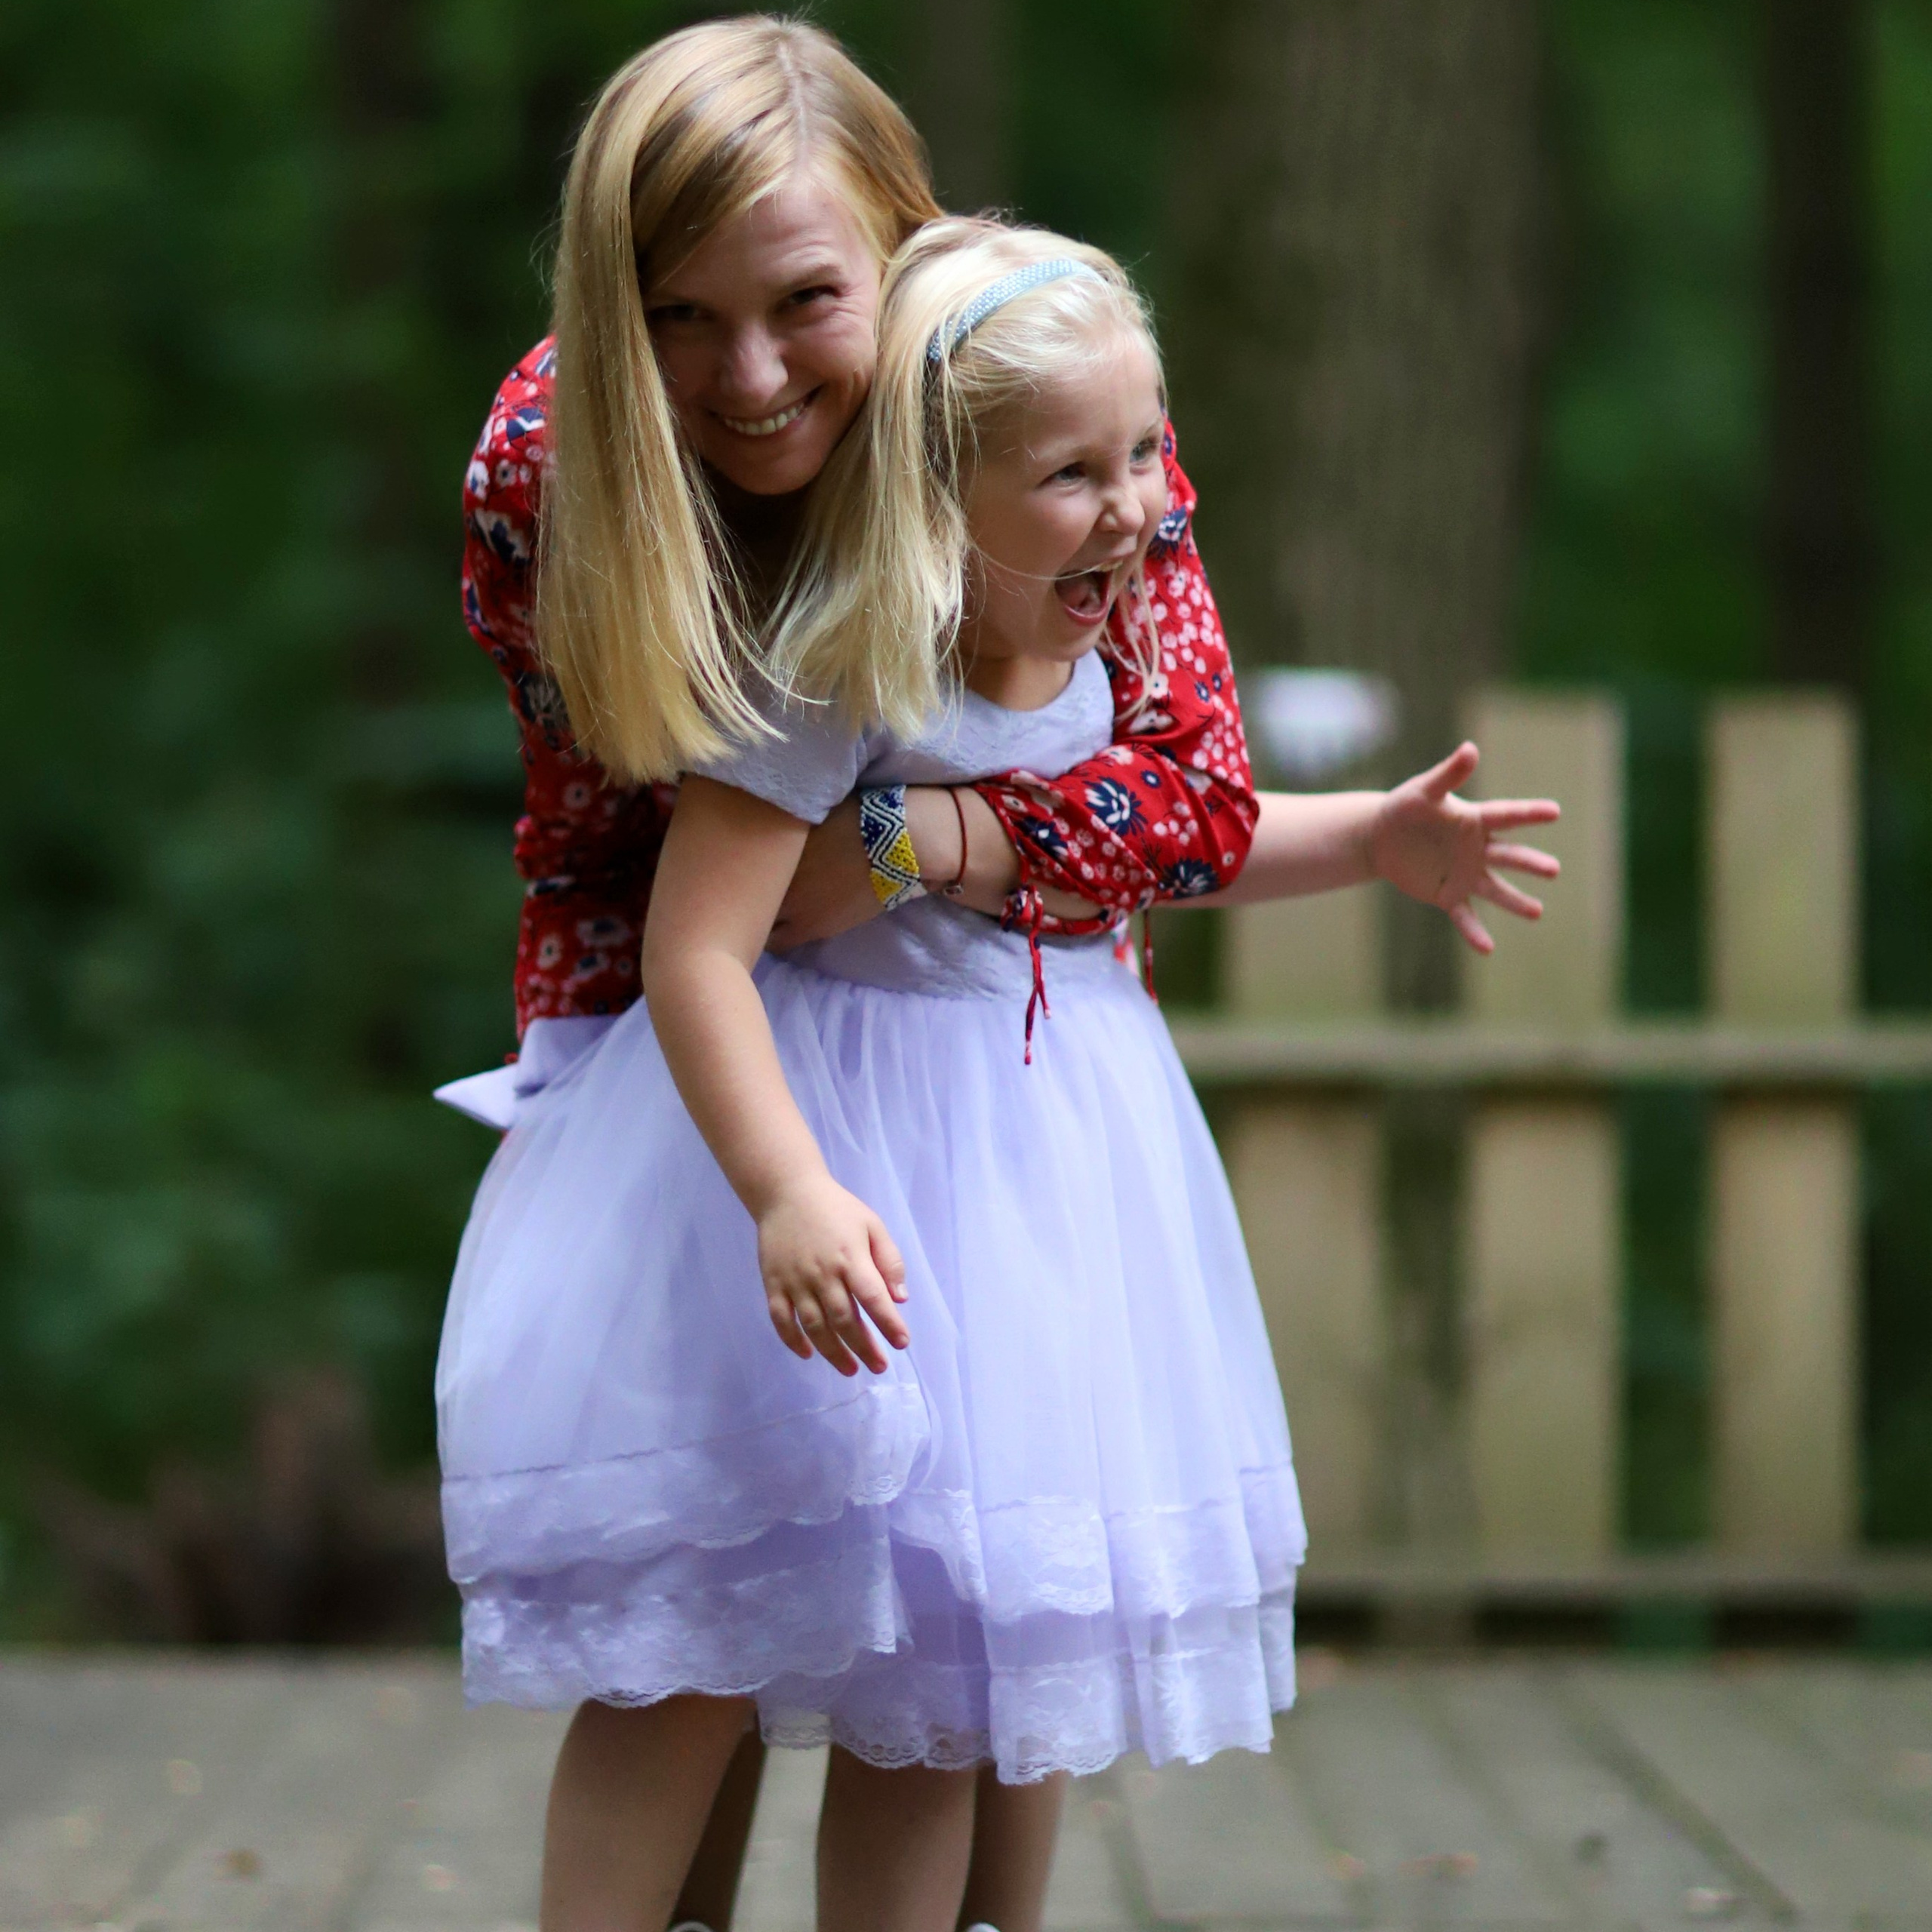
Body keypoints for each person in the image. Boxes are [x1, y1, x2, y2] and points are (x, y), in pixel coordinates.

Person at [438, 20, 1559, 1932]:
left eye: (803, 300)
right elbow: (638, 863)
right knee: (702, 1600)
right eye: (680, 319)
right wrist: (716, 1140)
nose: (752, 372)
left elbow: (1187, 797)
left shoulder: (1048, 407)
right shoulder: (581, 474)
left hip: (1028, 1136)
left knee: (981, 1640)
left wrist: (1343, 827)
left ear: (902, 250)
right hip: (774, 1095)